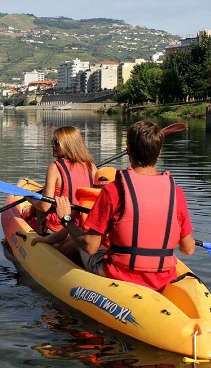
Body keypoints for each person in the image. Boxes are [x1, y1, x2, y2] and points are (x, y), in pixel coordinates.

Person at [33, 120, 195, 292]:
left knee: (74, 242)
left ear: (128, 150)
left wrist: (66, 218)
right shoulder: (176, 193)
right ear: (159, 152)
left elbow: (90, 246)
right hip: (163, 277)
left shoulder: (114, 191)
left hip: (120, 274)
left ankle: (61, 271)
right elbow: (188, 248)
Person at [24, 125, 97, 234]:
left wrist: (29, 197)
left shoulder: (55, 168)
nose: (52, 145)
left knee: (34, 208)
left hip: (58, 226)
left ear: (68, 145)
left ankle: (29, 216)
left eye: (56, 143)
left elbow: (44, 206)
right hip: (82, 224)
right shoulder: (92, 166)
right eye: (53, 141)